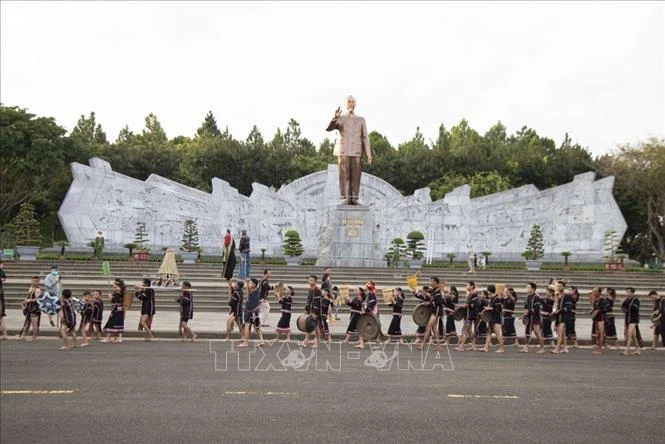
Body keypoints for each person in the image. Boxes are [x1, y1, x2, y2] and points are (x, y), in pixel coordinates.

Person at [325, 95, 372, 205]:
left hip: (356, 150)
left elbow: (365, 137)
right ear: (345, 104)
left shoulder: (361, 119)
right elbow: (329, 129)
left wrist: (368, 153)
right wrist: (335, 118)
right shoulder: (340, 118)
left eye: (353, 101)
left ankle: (355, 197)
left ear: (355, 104)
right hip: (343, 149)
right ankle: (344, 197)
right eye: (349, 101)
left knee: (356, 175)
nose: (351, 103)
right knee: (344, 174)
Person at [521, 282, 546, 353]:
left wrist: (529, 311)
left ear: (533, 289)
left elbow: (537, 308)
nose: (527, 289)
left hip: (535, 318)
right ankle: (525, 347)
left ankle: (542, 348)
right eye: (527, 287)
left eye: (529, 287)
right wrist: (524, 314)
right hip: (528, 318)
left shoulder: (536, 297)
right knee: (527, 333)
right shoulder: (528, 297)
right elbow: (526, 307)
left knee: (537, 332)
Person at [238, 278, 262, 347]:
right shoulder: (256, 291)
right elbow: (248, 290)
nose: (249, 284)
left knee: (247, 325)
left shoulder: (253, 291)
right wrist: (247, 282)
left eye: (250, 283)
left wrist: (246, 282)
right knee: (256, 326)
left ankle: (245, 342)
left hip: (250, 311)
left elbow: (247, 290)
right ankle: (261, 340)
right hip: (254, 311)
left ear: (254, 284)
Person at [481, 285, 504, 353]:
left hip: (496, 318)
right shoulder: (492, 298)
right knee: (488, 333)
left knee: (497, 333)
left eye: (488, 290)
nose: (487, 292)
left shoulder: (497, 298)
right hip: (491, 318)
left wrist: (490, 308)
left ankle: (501, 348)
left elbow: (499, 309)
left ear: (490, 291)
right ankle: (486, 347)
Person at [101, 278, 125, 343]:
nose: (113, 284)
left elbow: (115, 300)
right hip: (120, 309)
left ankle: (108, 337)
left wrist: (110, 297)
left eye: (114, 283)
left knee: (111, 322)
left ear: (117, 284)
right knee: (118, 322)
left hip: (116, 308)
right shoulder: (121, 290)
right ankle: (119, 337)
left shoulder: (117, 291)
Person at [19, 276, 42, 341]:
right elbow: (29, 296)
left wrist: (29, 300)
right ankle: (23, 335)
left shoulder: (38, 289)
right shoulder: (31, 288)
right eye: (34, 281)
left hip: (34, 308)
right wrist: (25, 301)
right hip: (29, 307)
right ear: (31, 281)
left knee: (34, 323)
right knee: (27, 322)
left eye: (37, 281)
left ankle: (34, 337)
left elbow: (37, 299)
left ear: (39, 282)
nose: (35, 282)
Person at [622, 288, 641, 355]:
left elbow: (635, 308)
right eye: (627, 292)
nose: (627, 293)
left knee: (629, 333)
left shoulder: (636, 300)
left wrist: (627, 305)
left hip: (633, 319)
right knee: (634, 335)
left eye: (629, 292)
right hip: (627, 318)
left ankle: (627, 350)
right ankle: (638, 349)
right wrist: (624, 306)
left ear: (632, 293)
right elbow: (624, 309)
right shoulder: (626, 300)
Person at [0, 261, 7, 340]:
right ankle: (5, 335)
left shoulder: (2, 272)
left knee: (1, 318)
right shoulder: (2, 272)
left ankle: (5, 335)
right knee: (1, 319)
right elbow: (4, 281)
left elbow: (3, 280)